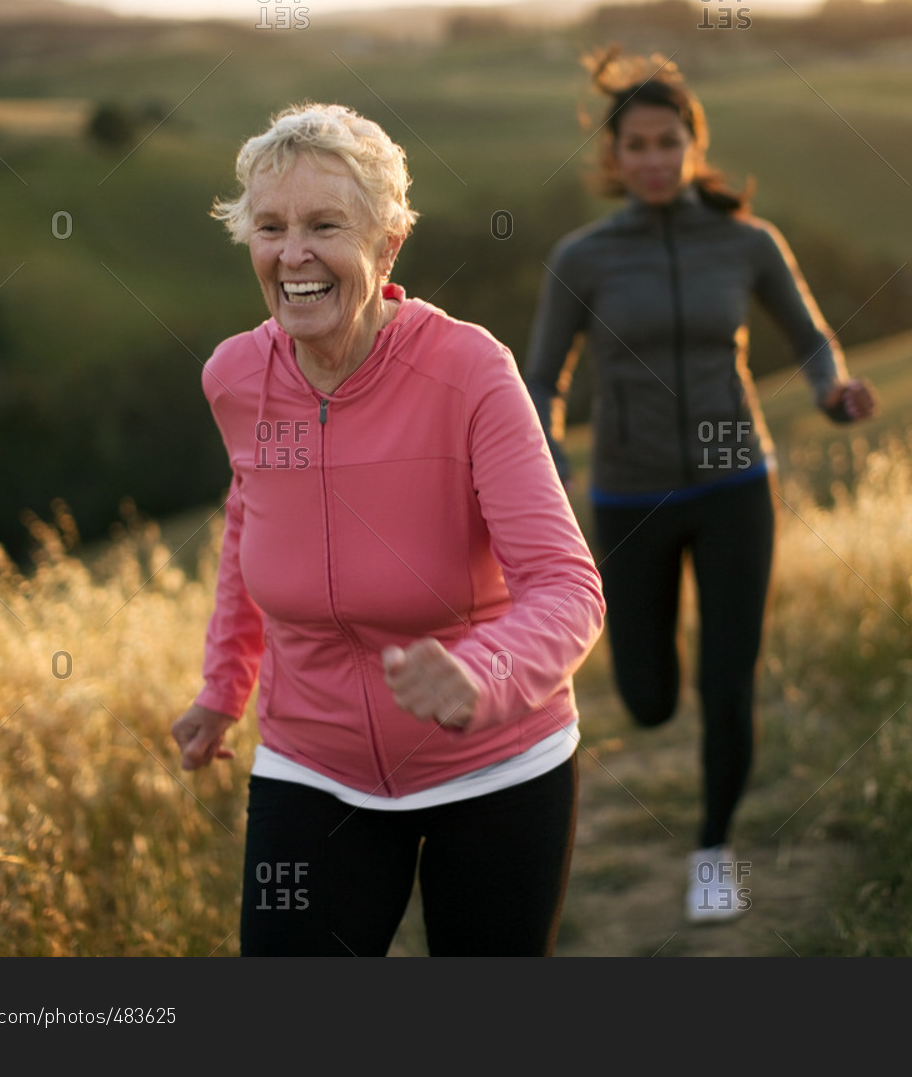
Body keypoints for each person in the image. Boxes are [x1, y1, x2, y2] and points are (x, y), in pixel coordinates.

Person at [171, 103, 605, 956]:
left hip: (495, 762)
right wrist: (225, 687)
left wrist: (480, 673)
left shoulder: (469, 370)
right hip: (311, 762)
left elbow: (568, 587)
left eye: (325, 225)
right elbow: (250, 520)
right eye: (271, 227)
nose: (293, 253)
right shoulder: (234, 378)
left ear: (386, 245)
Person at [523, 49, 876, 925]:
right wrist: (548, 460)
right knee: (647, 700)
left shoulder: (747, 242)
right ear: (612, 157)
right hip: (630, 496)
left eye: (667, 141)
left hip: (735, 485)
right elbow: (540, 381)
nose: (651, 158)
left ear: (693, 144)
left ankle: (713, 852)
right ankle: (658, 699)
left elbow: (812, 337)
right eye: (635, 144)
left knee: (730, 682)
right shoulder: (583, 257)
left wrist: (834, 390)